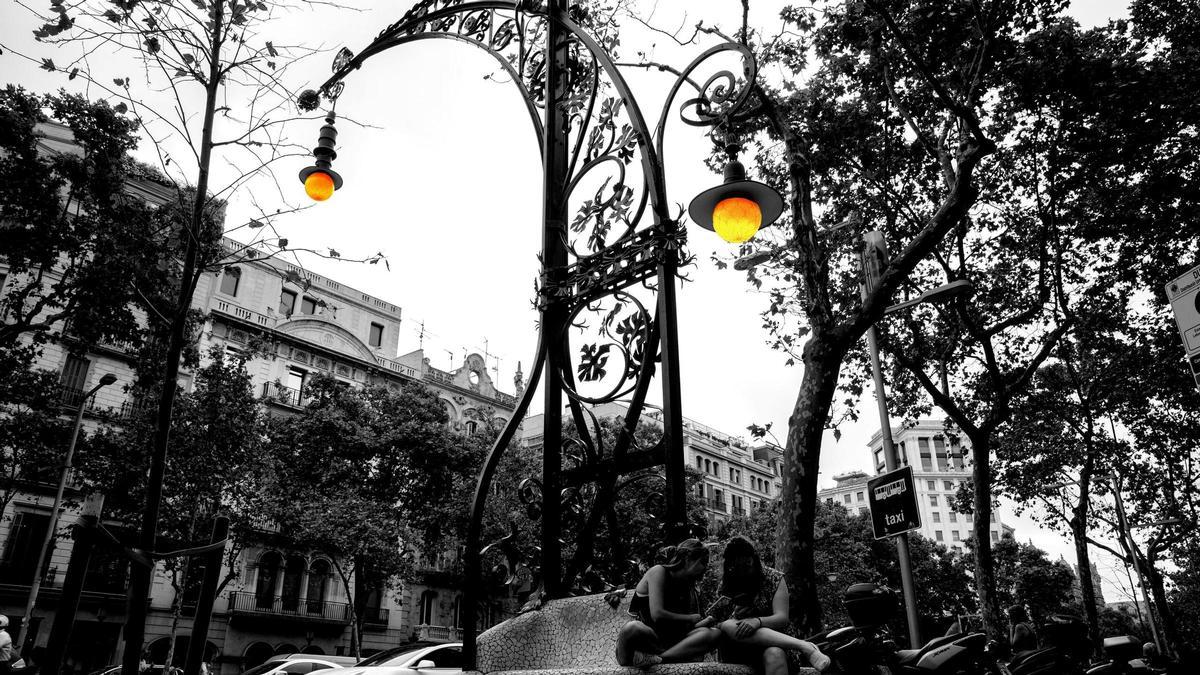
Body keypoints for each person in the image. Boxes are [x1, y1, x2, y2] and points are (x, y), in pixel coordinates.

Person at [701, 536, 831, 674]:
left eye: (747, 565)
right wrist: (735, 614)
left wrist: (757, 621)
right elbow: (718, 620)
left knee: (774, 654)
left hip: (776, 644)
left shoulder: (773, 578)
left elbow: (782, 618)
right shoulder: (728, 582)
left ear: (753, 559)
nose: (744, 571)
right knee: (729, 625)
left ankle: (805, 647)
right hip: (739, 645)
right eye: (738, 567)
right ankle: (803, 645)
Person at [615, 539, 720, 667]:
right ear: (688, 559)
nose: (705, 568)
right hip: (640, 643)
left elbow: (684, 629)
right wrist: (690, 618)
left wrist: (705, 622)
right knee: (632, 628)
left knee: (714, 634)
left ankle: (659, 660)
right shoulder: (658, 572)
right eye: (703, 562)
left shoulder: (688, 586)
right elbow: (657, 614)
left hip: (666, 645)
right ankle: (664, 657)